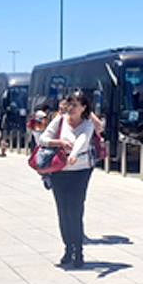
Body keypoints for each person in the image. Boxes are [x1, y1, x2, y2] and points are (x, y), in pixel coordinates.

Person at [39, 91, 95, 268]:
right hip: (59, 169)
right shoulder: (60, 120)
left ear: (83, 108)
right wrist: (60, 143)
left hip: (80, 169)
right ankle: (67, 248)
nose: (71, 108)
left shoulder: (87, 124)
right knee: (62, 210)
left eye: (75, 105)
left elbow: (83, 140)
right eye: (69, 104)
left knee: (76, 210)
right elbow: (43, 138)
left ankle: (78, 250)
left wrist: (75, 154)